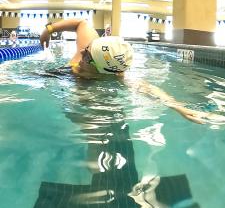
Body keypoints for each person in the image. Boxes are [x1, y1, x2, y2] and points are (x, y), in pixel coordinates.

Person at [40, 19, 225, 125]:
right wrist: (48, 30)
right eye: (88, 47)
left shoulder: (114, 79)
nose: (81, 52)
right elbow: (82, 23)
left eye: (88, 54)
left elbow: (146, 88)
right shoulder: (86, 51)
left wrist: (179, 107)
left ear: (102, 70)